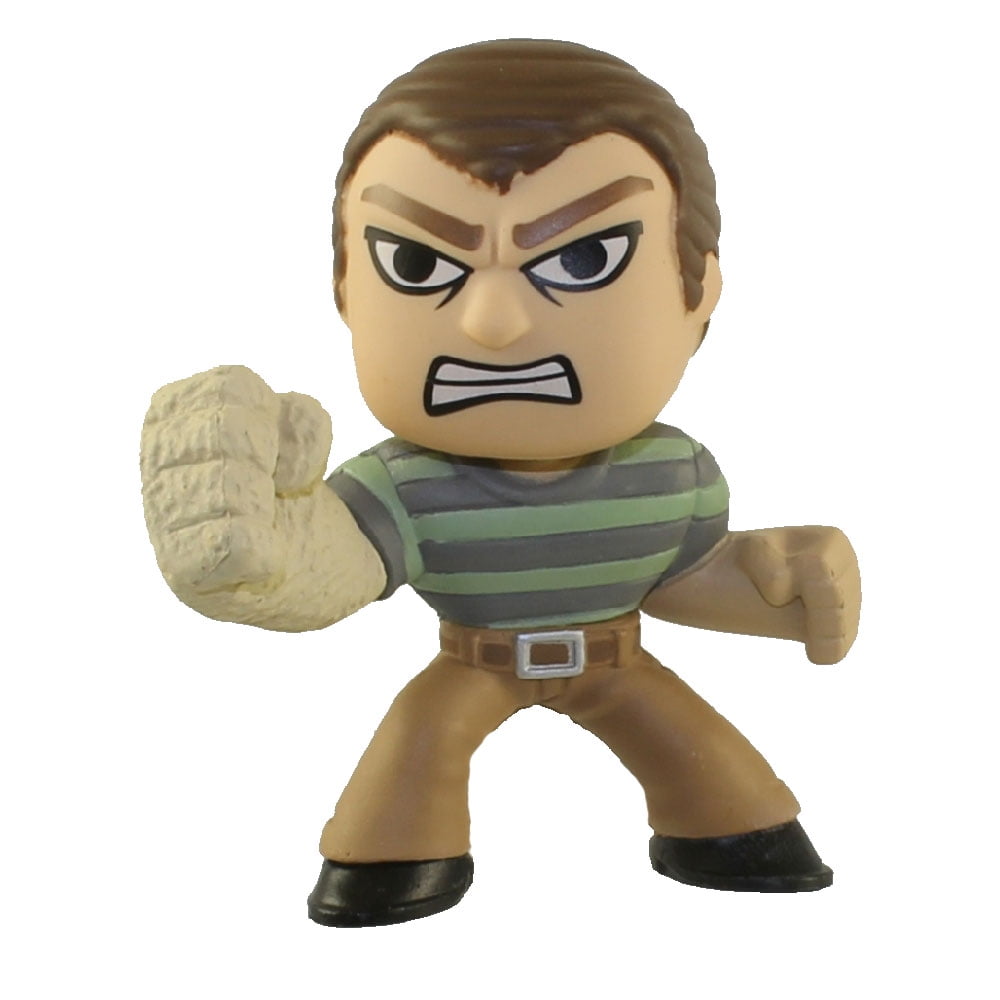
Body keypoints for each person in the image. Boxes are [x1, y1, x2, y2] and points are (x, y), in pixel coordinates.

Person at [141, 39, 861, 927]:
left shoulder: (673, 475)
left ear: (698, 290)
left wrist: (780, 583)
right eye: (418, 265)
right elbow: (335, 567)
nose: (493, 323)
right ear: (347, 293)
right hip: (472, 661)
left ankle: (734, 835)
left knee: (706, 763)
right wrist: (260, 554)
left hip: (618, 658)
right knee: (420, 744)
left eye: (584, 259)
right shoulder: (405, 487)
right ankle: (393, 861)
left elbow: (677, 578)